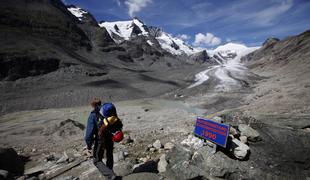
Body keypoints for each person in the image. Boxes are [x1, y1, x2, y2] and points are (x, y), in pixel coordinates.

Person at [84, 98, 122, 180]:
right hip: (110, 137)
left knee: (97, 160)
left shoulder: (93, 115)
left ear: (92, 105)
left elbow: (89, 134)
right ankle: (110, 173)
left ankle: (110, 175)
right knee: (109, 154)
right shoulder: (108, 111)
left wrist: (89, 145)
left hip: (100, 140)